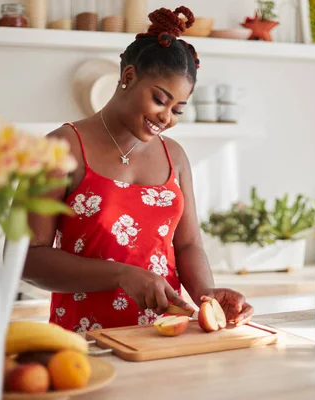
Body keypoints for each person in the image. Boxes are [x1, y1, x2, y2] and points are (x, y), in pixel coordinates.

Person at [22, 6, 254, 333]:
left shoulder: (175, 156)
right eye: (160, 100)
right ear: (128, 77)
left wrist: (208, 297)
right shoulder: (57, 150)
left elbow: (188, 246)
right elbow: (26, 258)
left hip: (166, 337)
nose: (166, 118)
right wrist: (120, 273)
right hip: (88, 341)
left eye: (178, 109)